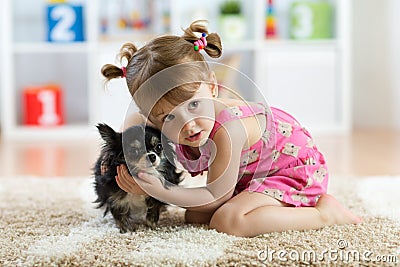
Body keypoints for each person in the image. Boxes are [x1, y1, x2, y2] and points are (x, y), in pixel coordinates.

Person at [101, 20, 361, 237]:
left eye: (194, 105)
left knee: (227, 221)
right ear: (153, 117)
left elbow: (214, 195)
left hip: (289, 171)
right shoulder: (160, 116)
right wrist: (112, 157)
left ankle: (323, 214)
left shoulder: (228, 130)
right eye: (168, 117)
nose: (187, 124)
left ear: (213, 87)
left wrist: (157, 189)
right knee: (194, 216)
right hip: (246, 178)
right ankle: (259, 204)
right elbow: (134, 123)